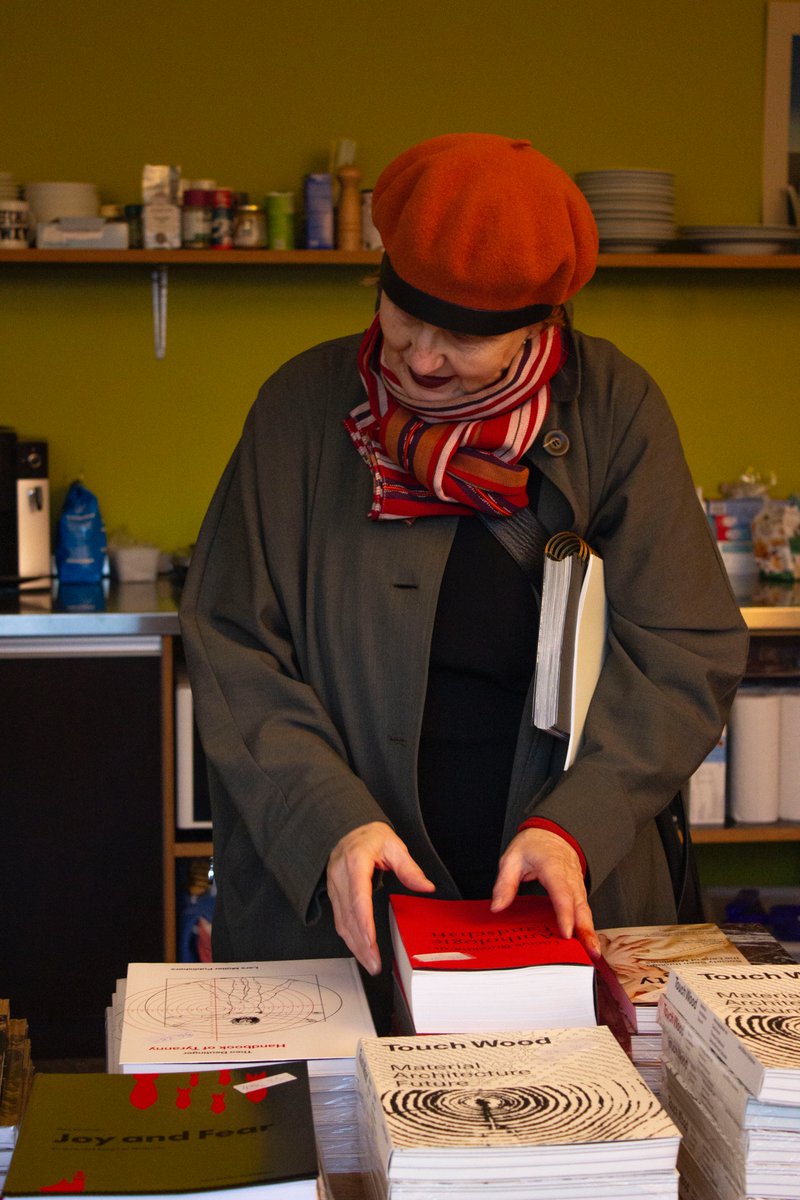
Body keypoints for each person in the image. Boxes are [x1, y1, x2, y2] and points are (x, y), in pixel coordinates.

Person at [179, 133, 748, 1031]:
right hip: (343, 909)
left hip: (556, 900)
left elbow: (685, 646)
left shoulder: (614, 411)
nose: (423, 360)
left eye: (465, 340)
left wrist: (578, 825)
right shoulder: (300, 407)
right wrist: (329, 819)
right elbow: (230, 641)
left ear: (541, 327)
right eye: (405, 321)